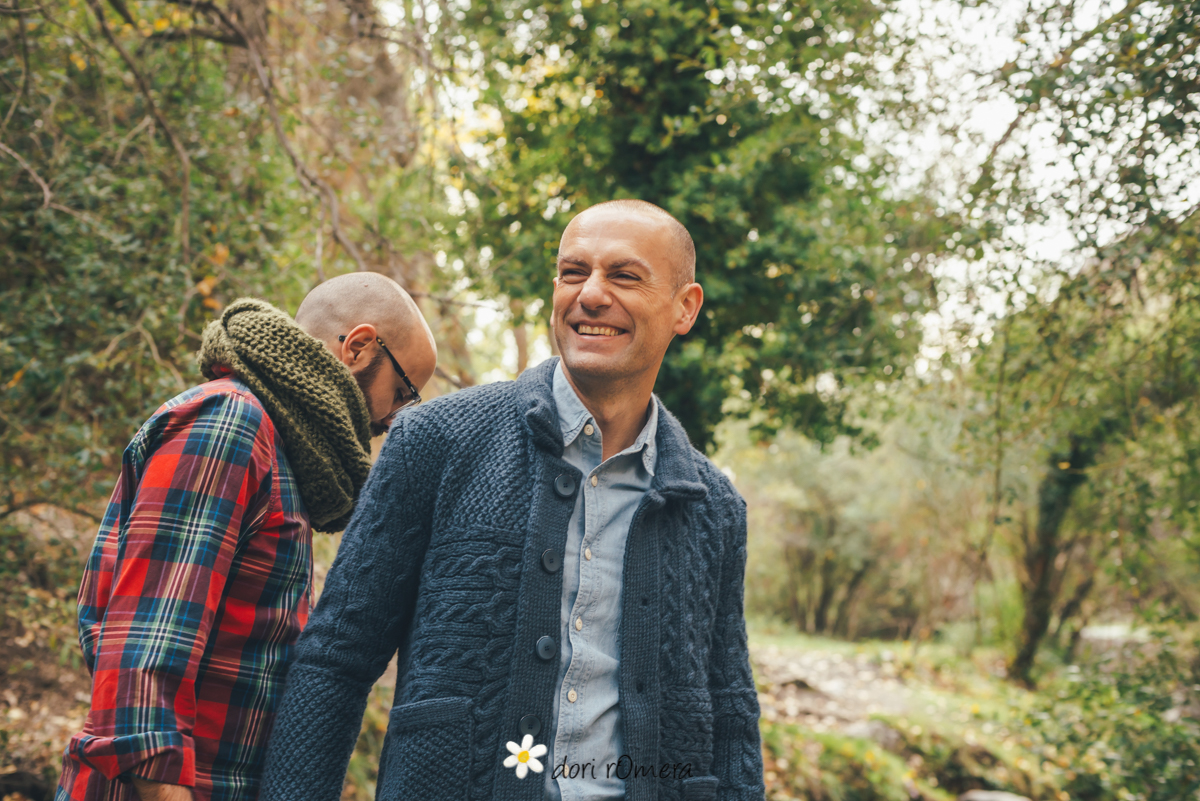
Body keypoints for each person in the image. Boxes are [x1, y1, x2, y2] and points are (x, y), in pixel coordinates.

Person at [259, 200, 765, 801]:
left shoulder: (713, 507)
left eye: (624, 276)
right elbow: (336, 658)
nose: (591, 295)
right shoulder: (437, 441)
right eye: (573, 272)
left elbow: (730, 709)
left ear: (686, 307)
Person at [54, 273, 438, 801]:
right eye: (402, 393)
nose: (393, 419)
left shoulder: (279, 447)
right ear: (358, 347)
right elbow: (144, 650)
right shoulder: (232, 422)